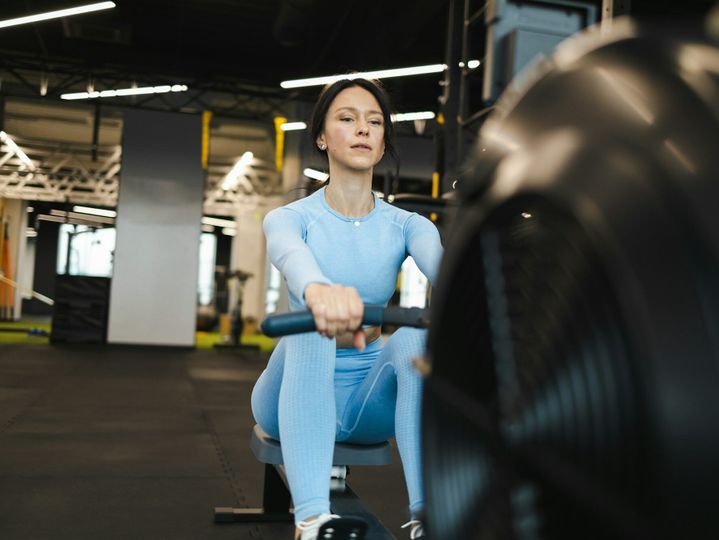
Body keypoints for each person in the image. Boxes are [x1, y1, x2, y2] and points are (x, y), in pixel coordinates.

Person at [251, 77, 443, 540]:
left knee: (416, 337)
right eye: (347, 118)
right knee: (310, 329)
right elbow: (290, 256)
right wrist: (318, 291)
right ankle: (313, 521)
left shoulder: (408, 225)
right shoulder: (290, 218)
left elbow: (447, 271)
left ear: (382, 144)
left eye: (374, 122)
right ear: (321, 137)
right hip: (286, 393)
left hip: (365, 403)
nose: (363, 129)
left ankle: (426, 519)